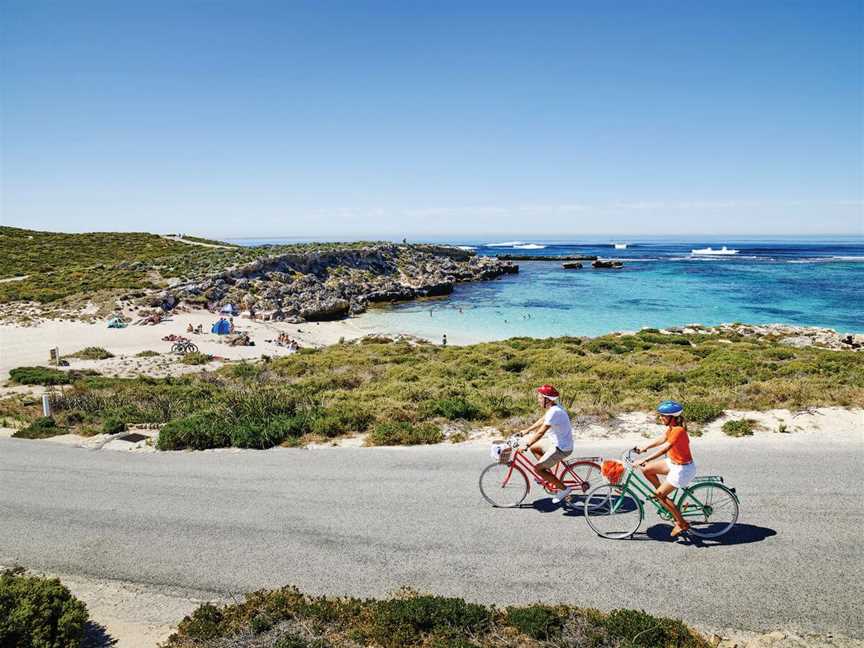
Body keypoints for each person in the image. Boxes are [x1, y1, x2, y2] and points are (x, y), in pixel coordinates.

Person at [634, 400, 696, 537]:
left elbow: (664, 449)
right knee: (647, 470)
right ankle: (664, 496)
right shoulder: (672, 428)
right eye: (660, 415)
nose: (660, 418)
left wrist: (645, 459)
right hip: (673, 463)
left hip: (683, 469)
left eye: (663, 416)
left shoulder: (678, 430)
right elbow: (662, 439)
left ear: (672, 417)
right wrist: (645, 446)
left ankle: (681, 523)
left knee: (659, 495)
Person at [517, 385, 574, 503]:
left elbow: (541, 432)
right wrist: (527, 430)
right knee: (535, 447)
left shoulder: (555, 412)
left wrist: (526, 444)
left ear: (547, 399)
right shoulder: (553, 408)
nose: (538, 399)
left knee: (537, 469)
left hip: (562, 448)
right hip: (556, 443)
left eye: (540, 397)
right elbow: (543, 420)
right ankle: (548, 475)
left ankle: (564, 489)